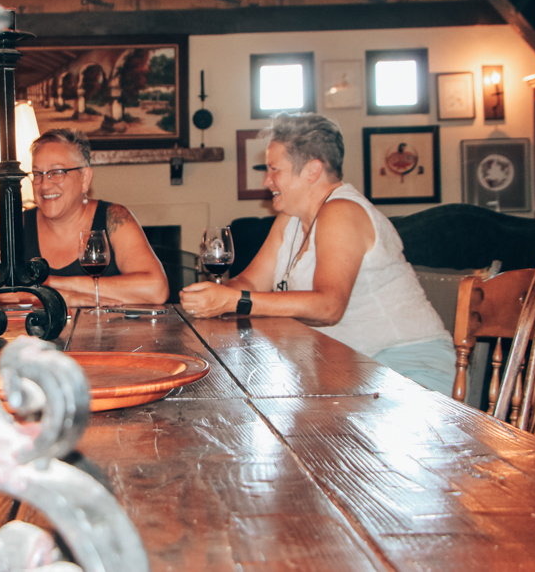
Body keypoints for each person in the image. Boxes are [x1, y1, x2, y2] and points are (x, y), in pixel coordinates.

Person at [179, 113, 455, 395]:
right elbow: (249, 283)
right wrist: (214, 296)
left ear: (312, 171)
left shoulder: (341, 211)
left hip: (404, 369)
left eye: (275, 170)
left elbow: (329, 307)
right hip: (346, 365)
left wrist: (235, 301)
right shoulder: (290, 218)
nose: (266, 181)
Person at [20, 128, 169, 308]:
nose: (44, 185)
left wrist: (56, 284)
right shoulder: (17, 225)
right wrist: (66, 298)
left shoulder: (114, 218)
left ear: (85, 178)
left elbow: (156, 289)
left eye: (57, 172)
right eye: (37, 174)